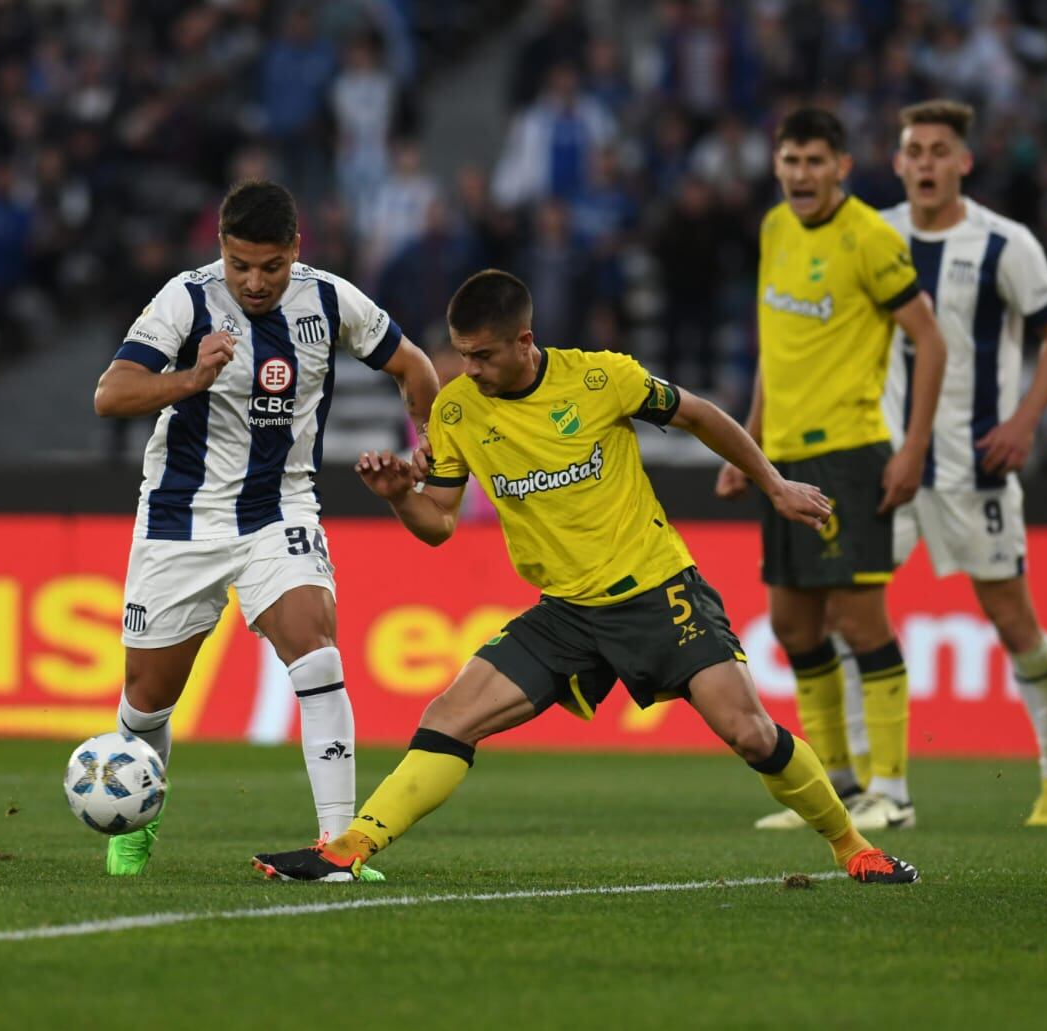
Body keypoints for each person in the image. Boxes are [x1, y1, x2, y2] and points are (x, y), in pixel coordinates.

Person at [251, 269, 920, 886]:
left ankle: (853, 846)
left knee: (749, 730)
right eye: (461, 353)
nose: (468, 370)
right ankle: (346, 851)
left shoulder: (601, 379)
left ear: (524, 341)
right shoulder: (456, 411)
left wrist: (770, 484)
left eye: (482, 355)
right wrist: (400, 494)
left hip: (658, 593)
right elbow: (440, 524)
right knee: (448, 716)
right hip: (566, 613)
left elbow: (698, 413)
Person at [93, 180, 440, 877]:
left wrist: (431, 436)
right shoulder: (184, 299)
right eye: (239, 263)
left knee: (317, 653)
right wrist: (192, 378)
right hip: (180, 516)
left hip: (280, 507)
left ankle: (339, 845)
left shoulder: (332, 299)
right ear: (220, 249)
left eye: (271, 266)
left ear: (295, 251)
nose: (254, 282)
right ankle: (136, 821)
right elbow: (112, 393)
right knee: (147, 696)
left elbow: (414, 365)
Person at [716, 108, 949, 833]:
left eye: (816, 162)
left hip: (850, 450)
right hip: (782, 454)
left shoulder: (870, 239)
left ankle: (895, 791)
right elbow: (772, 347)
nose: (801, 175)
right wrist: (747, 445)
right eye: (790, 161)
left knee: (858, 617)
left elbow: (930, 340)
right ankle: (842, 785)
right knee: (791, 623)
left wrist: (912, 448)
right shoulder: (774, 229)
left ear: (843, 167)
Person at [880, 99, 1047, 825]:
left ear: (964, 162)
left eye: (941, 150)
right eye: (915, 150)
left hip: (975, 464)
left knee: (1011, 619)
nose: (927, 163)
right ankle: (870, 790)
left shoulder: (1005, 242)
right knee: (848, 610)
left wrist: (1026, 419)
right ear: (898, 162)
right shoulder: (873, 237)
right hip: (888, 463)